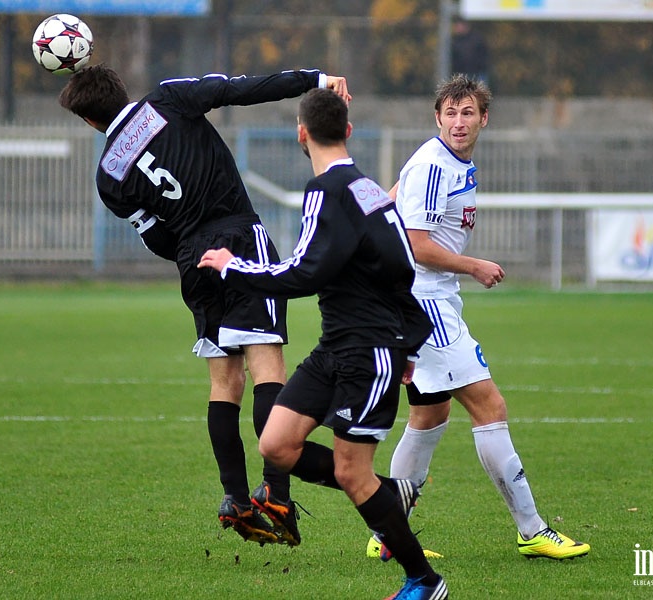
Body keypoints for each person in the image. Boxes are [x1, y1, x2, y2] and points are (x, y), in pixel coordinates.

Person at [58, 64, 351, 547]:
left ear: (89, 122)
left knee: (224, 384)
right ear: (122, 91)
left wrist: (194, 251)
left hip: (194, 261)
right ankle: (276, 494)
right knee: (266, 368)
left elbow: (155, 238)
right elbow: (243, 89)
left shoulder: (108, 175)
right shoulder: (167, 100)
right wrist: (313, 81)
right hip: (238, 236)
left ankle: (236, 498)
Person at [198, 87, 448, 600]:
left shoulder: (326, 191)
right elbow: (403, 268)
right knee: (276, 444)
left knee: (351, 474)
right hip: (340, 346)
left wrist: (233, 267)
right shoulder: (372, 190)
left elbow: (303, 272)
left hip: (366, 352)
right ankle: (390, 492)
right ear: (349, 131)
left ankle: (424, 580)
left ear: (301, 132)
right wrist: (411, 342)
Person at [366, 74, 591, 562]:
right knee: (490, 407)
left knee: (430, 413)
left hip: (423, 299)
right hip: (425, 304)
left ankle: (386, 531)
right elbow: (420, 245)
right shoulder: (433, 165)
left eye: (467, 113)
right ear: (437, 118)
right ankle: (532, 530)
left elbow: (387, 204)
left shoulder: (445, 162)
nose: (459, 122)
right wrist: (476, 265)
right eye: (450, 113)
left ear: (483, 118)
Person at [450, 18, 490, 85]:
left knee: (480, 92)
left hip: (478, 72)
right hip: (462, 73)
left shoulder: (477, 38)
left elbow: (483, 55)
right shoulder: (455, 40)